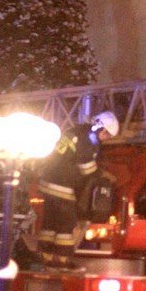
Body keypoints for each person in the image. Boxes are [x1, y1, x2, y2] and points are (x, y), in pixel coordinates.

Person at [37, 111, 119, 270]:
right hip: (62, 185)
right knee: (67, 224)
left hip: (48, 183)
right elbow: (86, 168)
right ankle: (63, 261)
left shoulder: (75, 131)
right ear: (100, 127)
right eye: (107, 134)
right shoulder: (87, 139)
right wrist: (103, 175)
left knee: (50, 223)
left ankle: (46, 259)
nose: (107, 138)